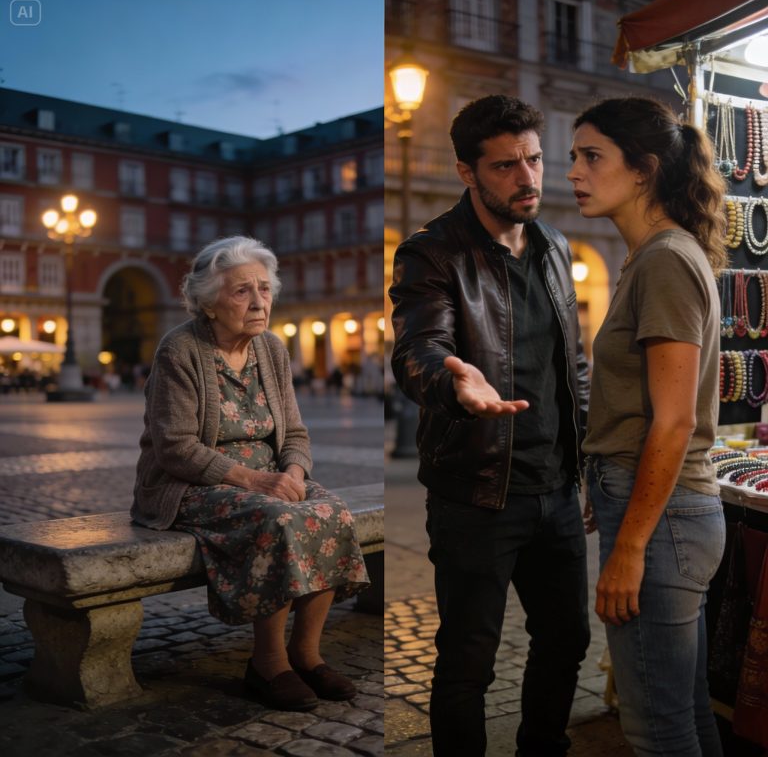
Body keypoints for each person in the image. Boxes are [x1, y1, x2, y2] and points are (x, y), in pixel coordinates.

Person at [389, 95, 591, 757]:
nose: (528, 178)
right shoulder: (432, 253)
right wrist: (454, 377)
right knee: (468, 657)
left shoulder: (557, 246)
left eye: (534, 159)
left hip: (556, 492)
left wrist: (584, 462)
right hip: (477, 491)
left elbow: (574, 364)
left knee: (567, 639)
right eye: (505, 166)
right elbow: (417, 347)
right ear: (466, 171)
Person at [131, 236, 369, 712]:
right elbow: (175, 448)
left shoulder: (273, 349)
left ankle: (306, 654)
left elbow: (295, 432)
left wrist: (295, 472)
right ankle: (268, 663)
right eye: (242, 291)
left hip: (268, 478)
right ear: (208, 303)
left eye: (264, 288)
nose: (259, 301)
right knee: (278, 518)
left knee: (331, 510)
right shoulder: (179, 349)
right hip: (189, 485)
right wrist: (256, 481)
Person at [568, 97, 727, 756]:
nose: (574, 171)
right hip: (656, 510)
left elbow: (675, 420)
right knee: (685, 716)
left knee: (657, 732)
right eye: (575, 156)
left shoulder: (664, 260)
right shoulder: (653, 257)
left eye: (591, 156)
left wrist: (629, 545)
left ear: (643, 171)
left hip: (659, 523)